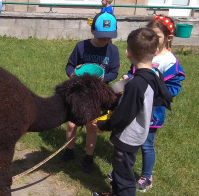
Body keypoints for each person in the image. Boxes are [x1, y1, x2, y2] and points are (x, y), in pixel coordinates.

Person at [91, 28, 173, 196]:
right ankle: (115, 192)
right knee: (120, 169)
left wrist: (103, 125)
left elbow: (123, 115)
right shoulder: (153, 75)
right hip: (139, 133)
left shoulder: (136, 85)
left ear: (128, 53)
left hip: (128, 136)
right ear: (156, 51)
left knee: (124, 176)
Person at [117, 15, 185, 192]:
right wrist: (129, 77)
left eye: (157, 36)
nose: (152, 40)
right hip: (135, 107)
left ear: (168, 38)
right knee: (129, 138)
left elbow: (173, 88)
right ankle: (124, 170)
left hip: (152, 112)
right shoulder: (146, 52)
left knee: (147, 144)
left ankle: (147, 176)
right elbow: (135, 70)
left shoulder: (169, 62)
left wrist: (152, 92)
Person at [60, 12, 120, 173]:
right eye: (101, 37)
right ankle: (69, 150)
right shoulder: (81, 46)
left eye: (108, 38)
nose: (105, 41)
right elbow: (70, 65)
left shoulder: (113, 51)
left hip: (97, 94)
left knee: (91, 125)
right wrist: (73, 75)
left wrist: (103, 78)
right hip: (79, 92)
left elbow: (114, 72)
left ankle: (88, 157)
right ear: (92, 31)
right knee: (72, 123)